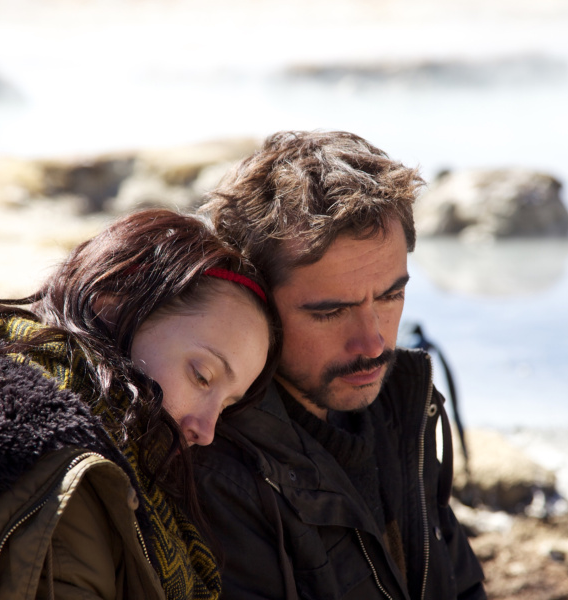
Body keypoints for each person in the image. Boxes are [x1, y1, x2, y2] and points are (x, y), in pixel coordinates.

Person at [0, 209, 276, 600]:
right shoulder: (66, 477)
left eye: (226, 406)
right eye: (202, 376)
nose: (206, 432)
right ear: (112, 302)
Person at [193, 131, 486, 600]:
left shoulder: (401, 406)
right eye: (330, 311)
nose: (373, 343)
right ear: (255, 304)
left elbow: (462, 585)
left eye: (390, 296)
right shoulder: (221, 476)